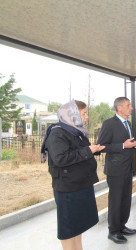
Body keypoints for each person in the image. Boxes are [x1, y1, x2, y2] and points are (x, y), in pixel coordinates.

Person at [42, 100, 105, 250]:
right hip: (68, 189)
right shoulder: (57, 133)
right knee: (69, 229)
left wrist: (95, 149)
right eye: (83, 113)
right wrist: (88, 151)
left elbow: (80, 153)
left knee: (78, 226)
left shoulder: (76, 132)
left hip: (81, 185)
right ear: (72, 114)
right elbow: (60, 158)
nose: (87, 117)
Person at [97, 97, 136, 244]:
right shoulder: (109, 123)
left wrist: (135, 144)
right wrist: (123, 146)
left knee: (125, 200)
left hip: (127, 168)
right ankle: (113, 231)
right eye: (128, 105)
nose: (131, 108)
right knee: (115, 201)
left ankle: (122, 226)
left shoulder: (128, 123)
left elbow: (128, 144)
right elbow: (101, 146)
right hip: (115, 169)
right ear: (119, 108)